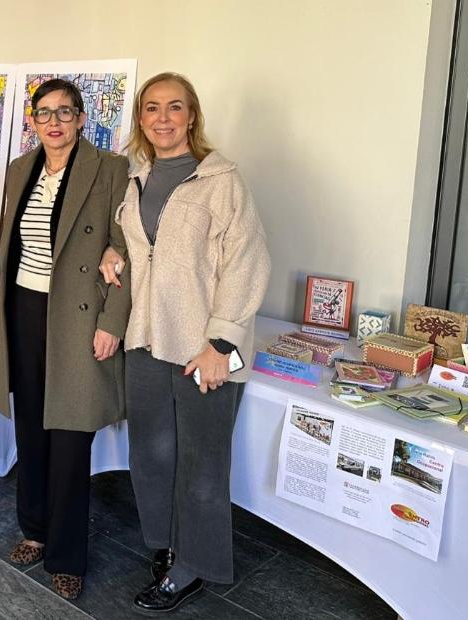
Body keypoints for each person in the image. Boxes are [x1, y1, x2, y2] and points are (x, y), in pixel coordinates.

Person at [99, 72, 271, 613]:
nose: (164, 118)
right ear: (141, 118)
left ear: (192, 115)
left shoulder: (222, 181)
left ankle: (193, 566)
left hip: (204, 350)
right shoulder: (135, 178)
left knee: (201, 464)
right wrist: (113, 252)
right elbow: (138, 246)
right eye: (152, 108)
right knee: (150, 456)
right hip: (146, 341)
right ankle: (168, 546)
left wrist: (222, 344)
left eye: (175, 107)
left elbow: (247, 262)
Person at [0, 79, 131, 599]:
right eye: (44, 113)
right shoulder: (20, 169)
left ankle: (67, 554)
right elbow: (8, 246)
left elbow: (127, 251)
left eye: (65, 112)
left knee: (70, 435)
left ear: (81, 118)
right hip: (23, 310)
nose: (54, 122)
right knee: (32, 427)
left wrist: (112, 322)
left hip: (78, 317)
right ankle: (35, 529)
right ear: (32, 121)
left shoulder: (110, 169)